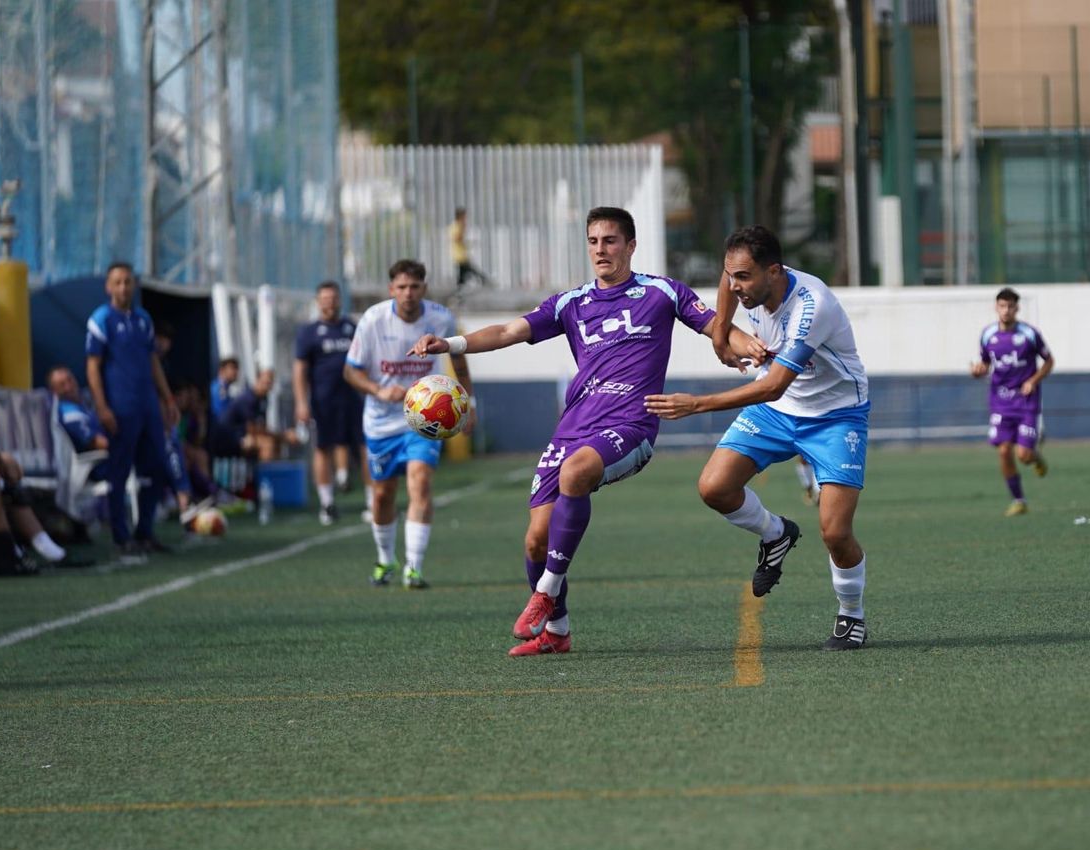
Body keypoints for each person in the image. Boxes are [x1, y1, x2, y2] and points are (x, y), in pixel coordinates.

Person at [409, 206, 751, 656]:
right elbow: (509, 331)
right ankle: (557, 631)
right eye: (593, 241)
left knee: (576, 473)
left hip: (631, 423)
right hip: (573, 428)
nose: (600, 250)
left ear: (631, 245)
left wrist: (752, 347)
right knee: (537, 539)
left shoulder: (662, 293)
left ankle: (546, 592)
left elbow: (717, 326)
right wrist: (451, 344)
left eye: (610, 240)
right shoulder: (571, 303)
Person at [646, 224, 872, 651]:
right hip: (777, 414)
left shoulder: (811, 307)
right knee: (714, 487)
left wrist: (696, 404)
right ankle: (776, 533)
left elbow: (772, 386)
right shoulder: (746, 283)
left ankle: (852, 615)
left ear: (774, 271)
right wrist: (720, 335)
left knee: (835, 532)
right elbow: (726, 283)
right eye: (731, 274)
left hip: (835, 417)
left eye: (744, 277)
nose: (735, 285)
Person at [345, 259, 471, 589]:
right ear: (391, 290)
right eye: (401, 287)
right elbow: (351, 370)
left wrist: (468, 403)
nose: (408, 293)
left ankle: (414, 567)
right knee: (383, 494)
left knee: (420, 482)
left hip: (424, 420)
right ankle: (386, 559)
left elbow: (459, 360)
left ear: (424, 288)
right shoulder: (373, 320)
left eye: (415, 287)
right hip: (381, 421)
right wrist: (378, 390)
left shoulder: (441, 318)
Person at [84, 261, 181, 560]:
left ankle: (145, 532)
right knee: (120, 471)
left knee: (156, 466)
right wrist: (102, 406)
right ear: (108, 287)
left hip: (148, 405)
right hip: (120, 407)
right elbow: (93, 366)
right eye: (118, 282)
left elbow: (153, 361)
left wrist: (167, 399)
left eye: (127, 281)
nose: (123, 287)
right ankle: (120, 536)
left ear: (134, 285)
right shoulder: (101, 319)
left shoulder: (143, 319)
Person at [969, 287, 1053, 516]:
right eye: (1002, 306)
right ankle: (1018, 500)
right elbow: (986, 363)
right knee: (1004, 451)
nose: (1006, 310)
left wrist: (1033, 380)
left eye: (1010, 306)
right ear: (996, 307)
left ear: (1017, 308)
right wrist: (978, 371)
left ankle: (1036, 457)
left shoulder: (1029, 334)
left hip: (1026, 401)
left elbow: (1049, 361)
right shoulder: (988, 335)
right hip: (1001, 401)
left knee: (1023, 456)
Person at [294, 280, 368, 524]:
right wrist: (301, 402)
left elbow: (366, 361)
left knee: (366, 448)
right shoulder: (309, 332)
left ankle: (373, 502)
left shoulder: (352, 328)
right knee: (322, 448)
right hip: (323, 401)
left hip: (354, 399)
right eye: (325, 299)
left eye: (333, 299)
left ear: (339, 300)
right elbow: (299, 370)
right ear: (318, 302)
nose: (330, 304)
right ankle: (327, 503)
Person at [449, 207, 488, 287]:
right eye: (464, 216)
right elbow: (456, 238)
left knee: (464, 272)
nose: (466, 218)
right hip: (459, 254)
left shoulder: (456, 225)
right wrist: (463, 231)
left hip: (460, 253)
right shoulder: (457, 226)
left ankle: (460, 286)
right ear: (460, 216)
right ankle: (484, 280)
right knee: (469, 269)